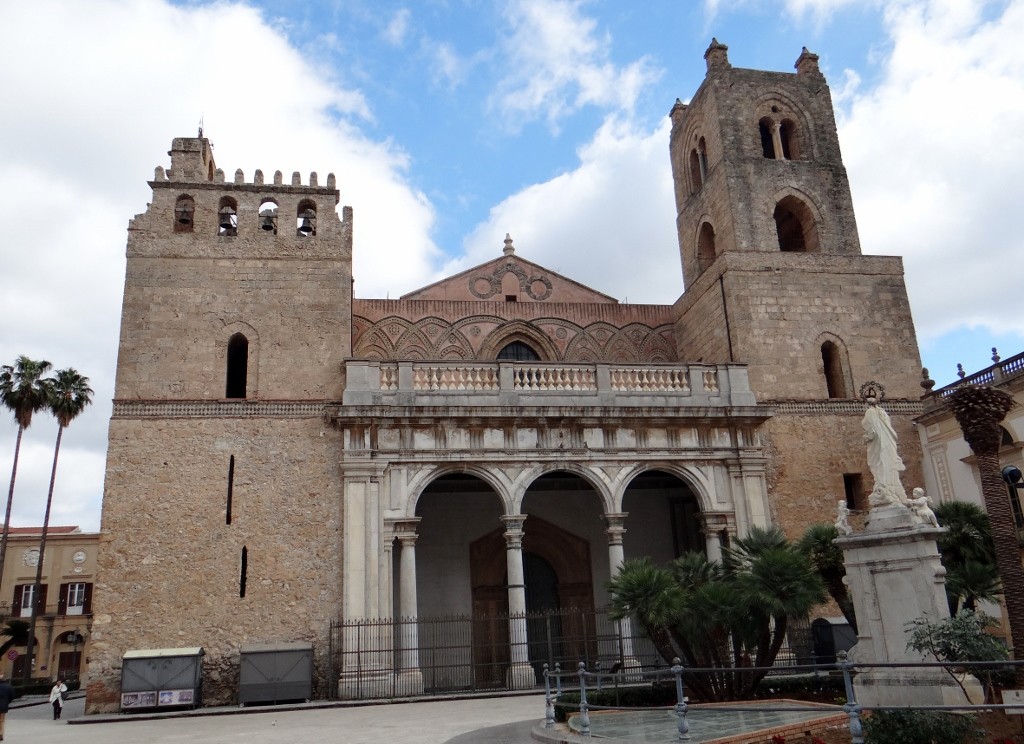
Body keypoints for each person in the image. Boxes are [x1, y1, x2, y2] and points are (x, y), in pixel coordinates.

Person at [0, 673, 15, 741]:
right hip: (3, 706)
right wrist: (7, 702)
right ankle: (1, 734)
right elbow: (12, 697)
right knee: (2, 721)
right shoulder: (8, 686)